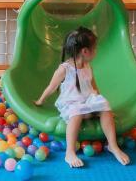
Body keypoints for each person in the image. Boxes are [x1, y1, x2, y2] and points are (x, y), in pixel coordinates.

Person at [33, 27, 130, 168]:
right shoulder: (65, 69)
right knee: (76, 113)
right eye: (94, 49)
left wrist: (103, 107)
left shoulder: (88, 66)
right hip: (72, 103)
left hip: (88, 100)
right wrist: (40, 100)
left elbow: (94, 87)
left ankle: (113, 146)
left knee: (105, 105)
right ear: (85, 51)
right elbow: (51, 87)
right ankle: (70, 152)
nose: (96, 51)